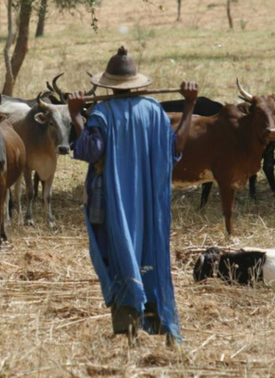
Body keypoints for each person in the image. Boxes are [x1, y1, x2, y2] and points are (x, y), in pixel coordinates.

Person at [67, 46, 198, 347]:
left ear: (108, 85)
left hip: (114, 202)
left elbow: (90, 151)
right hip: (150, 205)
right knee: (149, 255)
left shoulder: (101, 113)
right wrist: (189, 106)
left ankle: (128, 329)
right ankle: (160, 322)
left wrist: (76, 114)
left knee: (118, 253)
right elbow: (176, 147)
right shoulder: (154, 111)